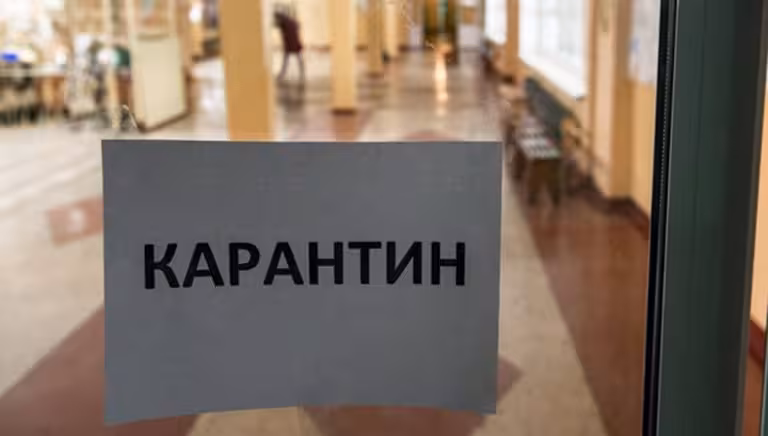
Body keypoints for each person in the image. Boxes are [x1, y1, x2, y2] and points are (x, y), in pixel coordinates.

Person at [274, 7, 305, 83]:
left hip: (290, 43)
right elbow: (298, 26)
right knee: (297, 58)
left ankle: (282, 74)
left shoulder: (284, 22)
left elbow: (278, 24)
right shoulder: (291, 21)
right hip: (294, 42)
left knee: (287, 59)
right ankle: (301, 73)